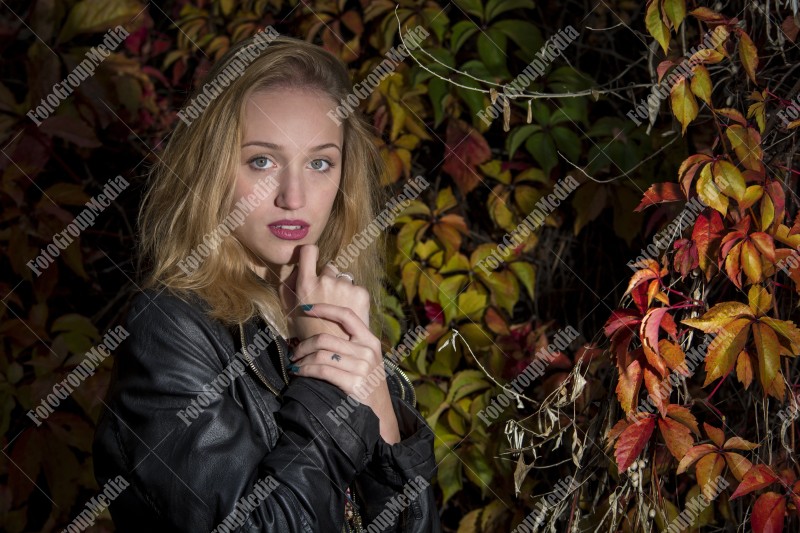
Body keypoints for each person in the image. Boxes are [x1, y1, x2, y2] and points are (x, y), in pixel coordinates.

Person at [92, 30, 440, 533]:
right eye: (262, 161)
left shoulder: (337, 311)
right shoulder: (170, 326)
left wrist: (380, 405)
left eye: (320, 162)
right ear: (214, 169)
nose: (293, 196)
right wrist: (329, 387)